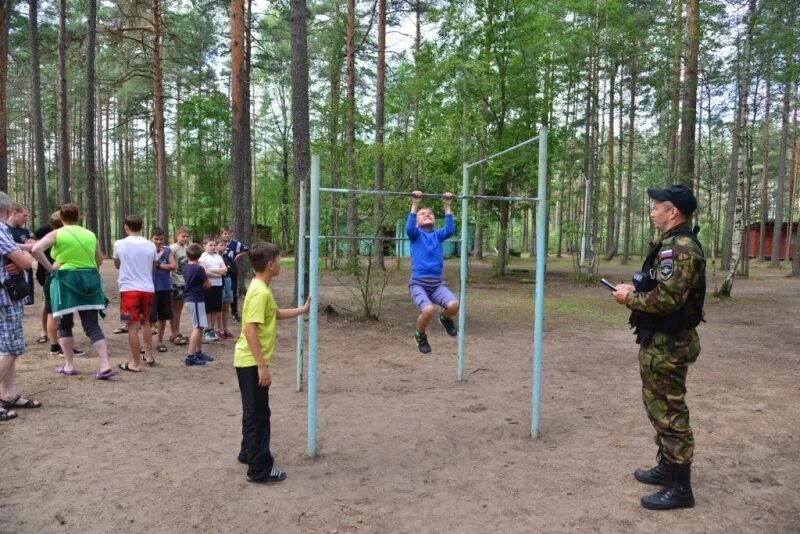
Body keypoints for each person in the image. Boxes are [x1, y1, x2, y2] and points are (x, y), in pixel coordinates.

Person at [611, 184, 705, 511]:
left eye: (657, 206)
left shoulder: (679, 249)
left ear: (673, 212)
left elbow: (668, 299)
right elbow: (659, 286)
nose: (652, 211)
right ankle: (668, 467)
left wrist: (629, 299)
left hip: (670, 344)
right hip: (661, 342)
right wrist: (634, 287)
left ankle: (680, 487)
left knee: (670, 411)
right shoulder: (670, 245)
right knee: (658, 407)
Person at [234, 242, 309, 483]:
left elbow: (273, 314)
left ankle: (248, 452)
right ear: (270, 265)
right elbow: (250, 330)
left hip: (248, 361)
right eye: (278, 260)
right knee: (259, 415)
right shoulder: (260, 292)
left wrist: (302, 310)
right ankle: (259, 469)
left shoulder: (261, 287)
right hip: (250, 362)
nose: (280, 263)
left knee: (252, 411)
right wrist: (262, 366)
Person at [31, 203, 114, 379]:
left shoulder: (57, 233)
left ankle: (69, 365)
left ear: (61, 218)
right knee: (92, 324)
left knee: (64, 323)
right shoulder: (90, 234)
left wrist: (50, 268)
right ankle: (105, 363)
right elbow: (99, 260)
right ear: (79, 217)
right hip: (89, 279)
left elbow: (36, 248)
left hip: (65, 280)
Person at [0, 192, 40, 421]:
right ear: (7, 212)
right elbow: (26, 262)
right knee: (13, 348)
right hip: (5, 299)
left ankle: (8, 394)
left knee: (5, 348)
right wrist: (20, 260)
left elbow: (17, 252)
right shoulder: (0, 231)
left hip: (5, 297)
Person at [406, 191, 460, 354]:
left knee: (454, 305)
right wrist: (415, 204)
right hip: (418, 284)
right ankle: (420, 335)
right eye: (423, 214)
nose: (427, 214)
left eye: (430, 213)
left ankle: (445, 318)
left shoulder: (438, 235)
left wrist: (447, 206)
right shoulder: (415, 234)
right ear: (417, 222)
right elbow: (409, 227)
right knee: (428, 310)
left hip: (437, 284)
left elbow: (450, 229)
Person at [33, 211, 86, 358]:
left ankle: (55, 345)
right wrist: (51, 267)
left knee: (52, 310)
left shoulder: (53, 236)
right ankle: (58, 346)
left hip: (49, 276)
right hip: (54, 276)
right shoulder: (58, 236)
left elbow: (34, 247)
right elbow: (35, 248)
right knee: (57, 312)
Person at [113, 215, 158, 371]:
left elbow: (117, 265)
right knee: (145, 322)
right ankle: (149, 354)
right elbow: (154, 266)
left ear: (126, 227)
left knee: (132, 326)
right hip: (147, 288)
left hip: (129, 288)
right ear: (142, 227)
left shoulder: (119, 244)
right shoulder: (151, 246)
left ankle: (135, 363)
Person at [182, 243, 213, 366]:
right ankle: (190, 356)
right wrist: (208, 282)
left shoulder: (185, 267)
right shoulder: (199, 269)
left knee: (200, 326)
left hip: (191, 298)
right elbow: (207, 284)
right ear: (199, 256)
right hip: (195, 298)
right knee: (198, 326)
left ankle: (198, 352)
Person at [149, 227, 175, 353]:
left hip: (165, 287)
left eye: (161, 239)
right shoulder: (147, 250)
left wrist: (159, 264)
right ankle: (146, 343)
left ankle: (160, 341)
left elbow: (173, 266)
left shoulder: (167, 250)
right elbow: (149, 268)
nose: (159, 242)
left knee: (163, 316)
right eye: (156, 239)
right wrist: (159, 263)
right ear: (151, 238)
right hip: (150, 287)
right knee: (149, 317)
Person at [6, 203, 35, 306]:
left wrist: (30, 249)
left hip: (24, 274)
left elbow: (33, 251)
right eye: (24, 215)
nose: (26, 219)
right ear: (14, 213)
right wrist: (26, 248)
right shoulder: (4, 230)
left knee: (22, 304)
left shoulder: (25, 231)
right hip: (8, 275)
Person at [200, 236, 226, 343]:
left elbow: (224, 270)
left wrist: (212, 271)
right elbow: (204, 271)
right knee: (208, 308)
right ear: (204, 246)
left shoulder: (218, 256)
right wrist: (218, 272)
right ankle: (207, 330)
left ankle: (212, 328)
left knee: (216, 308)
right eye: (210, 245)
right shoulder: (203, 257)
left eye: (214, 245)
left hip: (218, 284)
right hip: (208, 285)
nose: (213, 247)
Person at [221, 226, 248, 322]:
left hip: (231, 269)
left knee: (233, 290)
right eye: (225, 233)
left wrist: (236, 257)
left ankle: (234, 312)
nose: (227, 235)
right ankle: (222, 311)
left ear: (231, 234)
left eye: (228, 233)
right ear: (221, 234)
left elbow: (245, 249)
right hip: (220, 269)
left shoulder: (235, 243)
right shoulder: (218, 243)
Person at [169, 226, 190, 346]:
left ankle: (177, 331)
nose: (185, 238)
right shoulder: (173, 248)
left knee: (179, 309)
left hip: (184, 282)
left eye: (187, 236)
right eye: (183, 236)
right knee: (173, 309)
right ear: (177, 236)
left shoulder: (187, 248)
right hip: (174, 282)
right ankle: (173, 333)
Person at [217, 239, 235, 339]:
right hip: (218, 282)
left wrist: (227, 268)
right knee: (219, 306)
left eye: (225, 245)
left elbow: (233, 270)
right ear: (216, 246)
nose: (223, 247)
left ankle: (225, 328)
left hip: (228, 282)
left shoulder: (227, 258)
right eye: (221, 245)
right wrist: (224, 269)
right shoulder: (214, 258)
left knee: (226, 305)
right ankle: (218, 329)